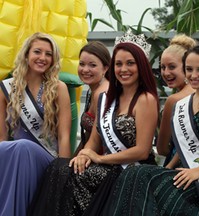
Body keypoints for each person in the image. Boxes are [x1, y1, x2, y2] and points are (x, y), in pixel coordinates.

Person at [29, 29, 159, 216]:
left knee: (75, 177)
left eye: (130, 63)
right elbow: (94, 139)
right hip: (108, 166)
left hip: (132, 170)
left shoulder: (146, 99)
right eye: (119, 64)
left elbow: (142, 150)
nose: (123, 69)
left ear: (141, 66)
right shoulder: (108, 98)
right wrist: (84, 155)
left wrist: (100, 158)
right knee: (59, 169)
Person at [104, 45, 199, 216]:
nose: (193, 75)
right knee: (134, 173)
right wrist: (167, 168)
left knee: (151, 187)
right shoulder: (184, 104)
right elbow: (184, 145)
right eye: (189, 69)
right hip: (185, 173)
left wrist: (198, 171)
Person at [0, 32, 71, 216]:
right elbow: (1, 138)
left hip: (47, 156)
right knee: (13, 150)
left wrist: (63, 173)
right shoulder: (6, 88)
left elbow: (64, 136)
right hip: (16, 155)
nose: (43, 58)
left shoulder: (58, 88)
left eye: (48, 54)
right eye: (37, 52)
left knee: (22, 147)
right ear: (26, 55)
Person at [157, 34, 196, 168]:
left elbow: (161, 148)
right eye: (163, 67)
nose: (166, 73)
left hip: (179, 168)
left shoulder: (174, 100)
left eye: (172, 67)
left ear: (187, 66)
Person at [73, 41, 111, 155]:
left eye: (92, 65)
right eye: (82, 64)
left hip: (105, 159)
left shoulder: (103, 92)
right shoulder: (92, 90)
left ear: (105, 68)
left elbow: (96, 141)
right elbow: (88, 136)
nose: (85, 70)